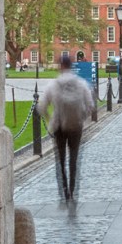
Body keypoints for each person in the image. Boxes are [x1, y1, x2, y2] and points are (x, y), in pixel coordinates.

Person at [41, 52, 95, 202]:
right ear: (71, 66)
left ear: (60, 66)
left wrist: (50, 120)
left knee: (60, 161)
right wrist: (82, 118)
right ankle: (73, 191)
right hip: (76, 126)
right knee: (74, 160)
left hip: (59, 126)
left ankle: (64, 191)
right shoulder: (81, 83)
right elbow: (90, 105)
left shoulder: (53, 84)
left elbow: (42, 106)